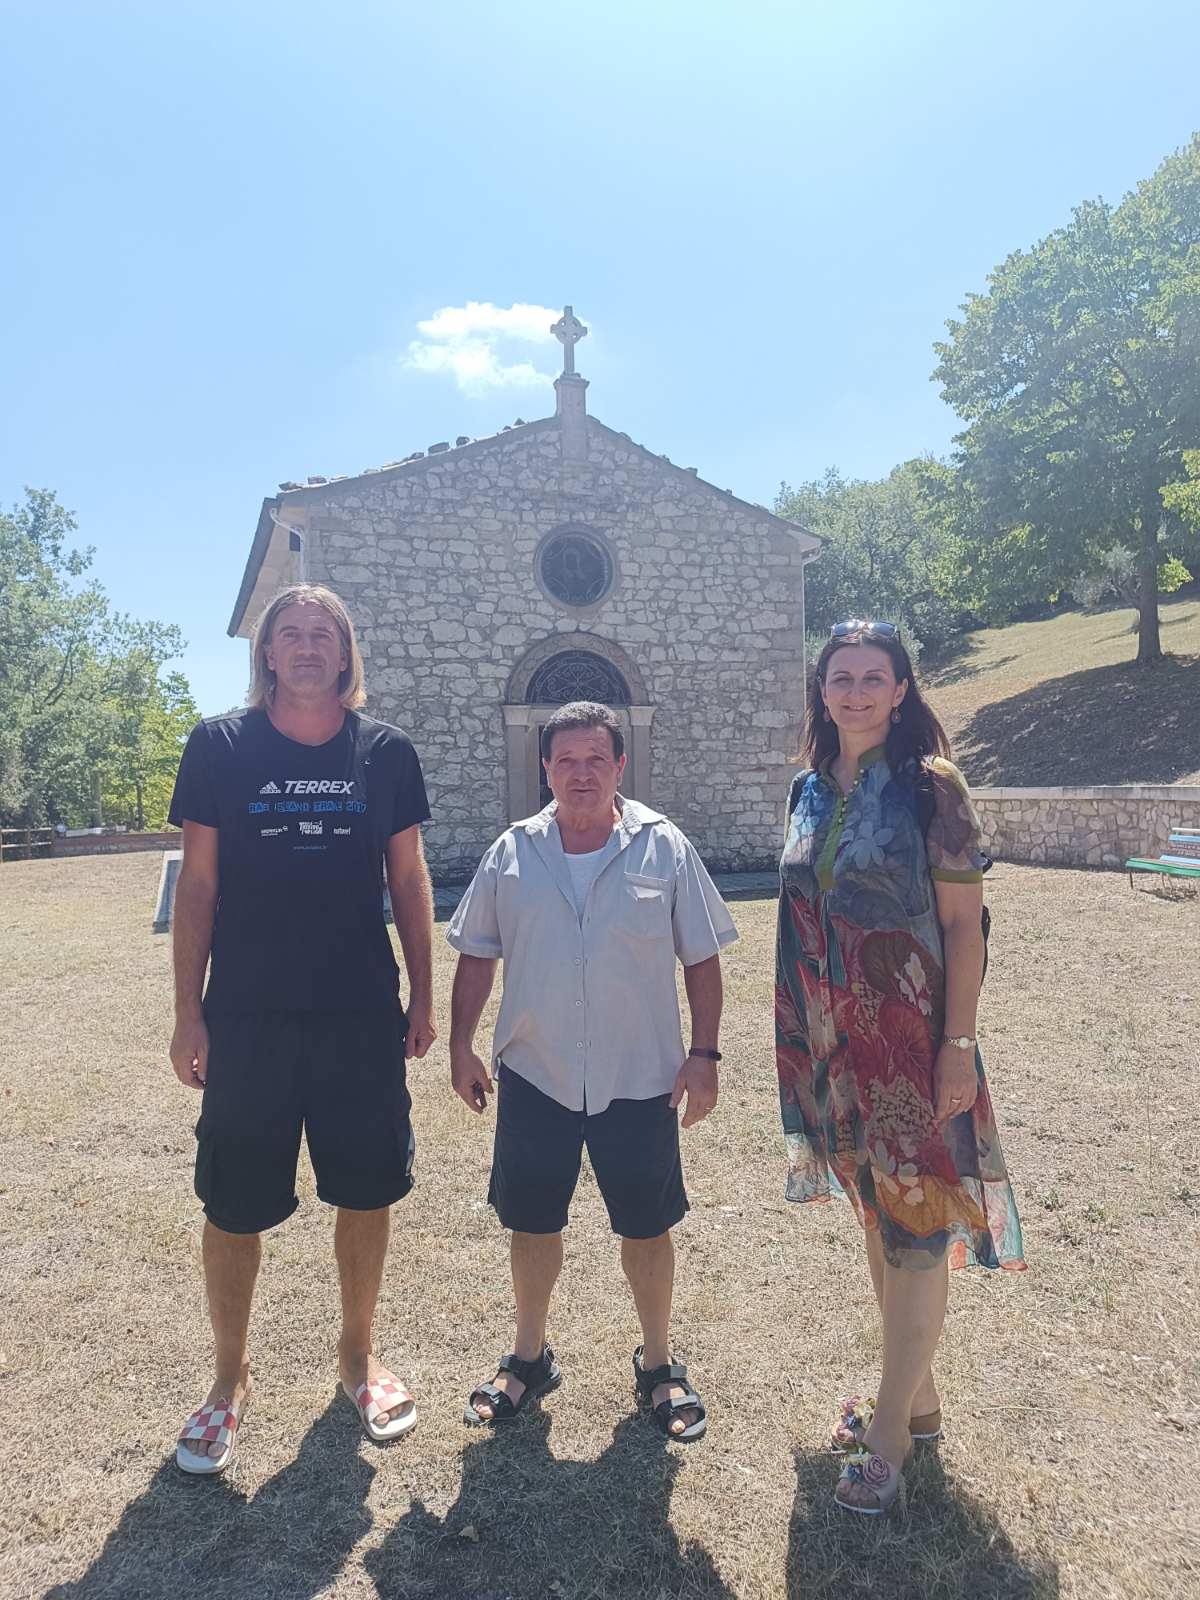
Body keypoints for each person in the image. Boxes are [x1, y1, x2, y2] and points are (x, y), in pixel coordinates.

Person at [168, 583, 436, 1475]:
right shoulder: (219, 746)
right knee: (232, 1202)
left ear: (346, 652)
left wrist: (424, 996)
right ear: (268, 654)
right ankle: (228, 1378)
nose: (309, 644)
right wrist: (188, 1011)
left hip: (358, 1012)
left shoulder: (385, 753)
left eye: (325, 632)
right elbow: (198, 886)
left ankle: (357, 1358)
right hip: (248, 1014)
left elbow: (408, 879)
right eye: (291, 632)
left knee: (366, 1188)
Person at [776, 620, 1024, 1515]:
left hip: (910, 1041)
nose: (855, 692)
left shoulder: (932, 787)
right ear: (822, 690)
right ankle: (917, 1405)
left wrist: (958, 1045)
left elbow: (964, 927)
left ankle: (889, 1439)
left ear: (901, 689)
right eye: (840, 677)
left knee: (917, 1229)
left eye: (872, 677)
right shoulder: (809, 788)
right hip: (831, 1041)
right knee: (881, 1220)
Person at [446, 700, 736, 1442]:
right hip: (535, 1073)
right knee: (531, 1221)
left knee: (647, 1225)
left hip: (638, 1076)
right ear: (545, 767)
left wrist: (704, 1056)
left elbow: (701, 957)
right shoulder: (511, 852)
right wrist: (461, 1045)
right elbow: (477, 953)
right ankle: (528, 1356)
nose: (582, 774)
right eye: (567, 761)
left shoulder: (665, 848)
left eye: (596, 759)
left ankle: (659, 1363)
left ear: (620, 765)